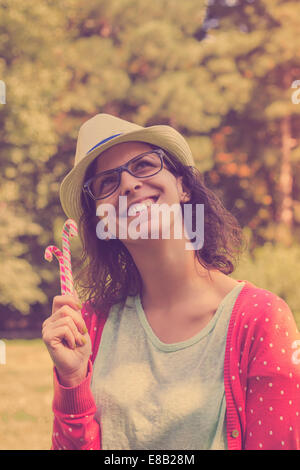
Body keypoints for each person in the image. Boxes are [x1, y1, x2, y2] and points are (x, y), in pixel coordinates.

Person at [42, 113, 300, 450]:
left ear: (183, 186)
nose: (129, 184)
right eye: (106, 182)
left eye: (144, 165)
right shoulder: (88, 326)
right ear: (99, 220)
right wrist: (73, 382)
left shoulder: (261, 320)